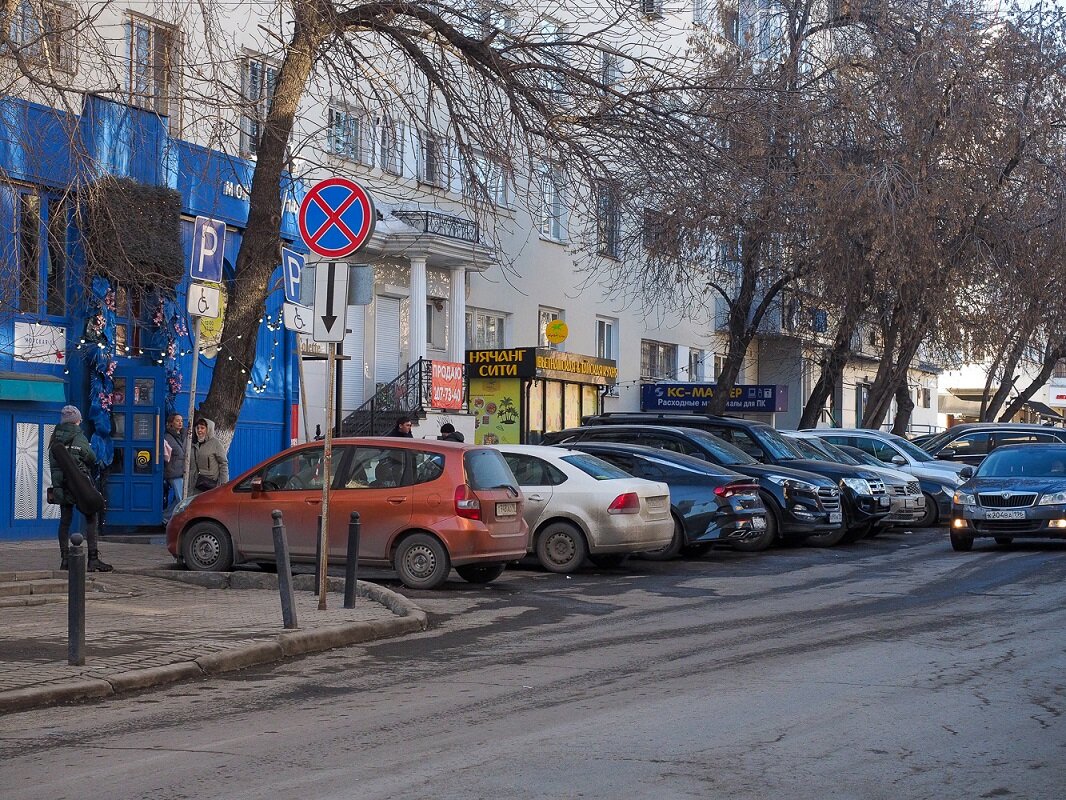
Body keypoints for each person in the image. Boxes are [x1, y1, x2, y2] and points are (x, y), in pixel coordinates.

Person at [50, 405, 112, 572]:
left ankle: (65, 560)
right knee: (91, 517)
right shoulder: (79, 437)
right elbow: (91, 457)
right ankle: (93, 559)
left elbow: (54, 466)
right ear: (76, 420)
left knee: (65, 522)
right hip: (80, 485)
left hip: (62, 485)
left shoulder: (54, 438)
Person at [191, 417, 229, 493]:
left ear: (208, 429)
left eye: (202, 428)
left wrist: (224, 483)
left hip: (211, 483)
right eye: (197, 428)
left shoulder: (216, 444)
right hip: (197, 483)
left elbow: (223, 463)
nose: (199, 430)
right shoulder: (194, 444)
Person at [163, 413, 185, 519]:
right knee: (182, 500)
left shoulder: (182, 436)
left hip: (182, 472)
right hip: (174, 472)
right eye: (177, 420)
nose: (180, 422)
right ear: (171, 423)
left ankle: (164, 517)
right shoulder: (167, 437)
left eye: (181, 420)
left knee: (177, 500)